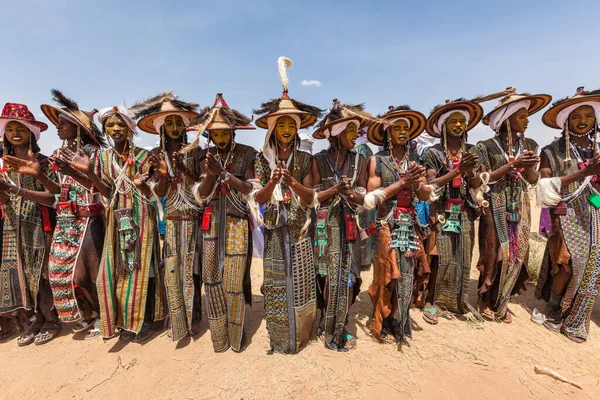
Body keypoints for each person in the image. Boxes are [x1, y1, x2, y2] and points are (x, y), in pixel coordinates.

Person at [64, 104, 167, 342]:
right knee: (117, 271)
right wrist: (89, 173)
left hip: (142, 218)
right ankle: (124, 322)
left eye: (121, 124)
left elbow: (155, 193)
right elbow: (107, 190)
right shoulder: (102, 157)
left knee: (143, 270)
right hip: (115, 219)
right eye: (110, 124)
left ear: (130, 128)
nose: (116, 128)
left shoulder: (143, 156)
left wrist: (149, 181)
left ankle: (146, 321)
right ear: (106, 129)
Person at [10, 90, 107, 340]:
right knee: (60, 273)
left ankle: (101, 316)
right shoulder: (57, 155)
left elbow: (96, 187)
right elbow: (57, 192)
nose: (58, 127)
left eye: (64, 123)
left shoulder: (93, 153)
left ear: (78, 128)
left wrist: (73, 171)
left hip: (89, 218)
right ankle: (85, 315)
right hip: (66, 220)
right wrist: (39, 176)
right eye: (58, 123)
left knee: (88, 273)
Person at [251, 56, 322, 354]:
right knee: (278, 282)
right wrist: (272, 181)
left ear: (295, 129)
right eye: (280, 124)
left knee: (303, 282)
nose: (286, 129)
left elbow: (313, 198)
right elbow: (258, 199)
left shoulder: (306, 160)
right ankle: (280, 339)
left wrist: (292, 182)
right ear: (273, 129)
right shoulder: (261, 159)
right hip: (275, 233)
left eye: (290, 125)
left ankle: (301, 336)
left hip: (300, 232)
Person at [420, 92, 509, 323]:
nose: (458, 125)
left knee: (462, 254)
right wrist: (457, 171)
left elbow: (478, 183)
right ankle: (432, 301)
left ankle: (456, 302)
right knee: (440, 256)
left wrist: (469, 171)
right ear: (443, 126)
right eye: (453, 121)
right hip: (441, 209)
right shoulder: (433, 153)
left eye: (462, 121)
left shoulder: (474, 150)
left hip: (465, 210)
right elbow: (431, 184)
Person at [471, 90, 551, 322]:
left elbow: (535, 180)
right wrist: (511, 165)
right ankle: (485, 300)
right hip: (493, 205)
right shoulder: (485, 146)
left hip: (521, 206)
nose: (527, 121)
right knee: (493, 253)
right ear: (507, 119)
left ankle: (502, 302)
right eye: (522, 116)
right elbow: (481, 179)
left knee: (516, 254)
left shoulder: (531, 145)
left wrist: (526, 167)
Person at [191, 93, 257, 352]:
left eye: (224, 133)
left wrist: (224, 173)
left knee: (232, 283)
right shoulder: (204, 156)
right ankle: (219, 337)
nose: (219, 138)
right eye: (214, 134)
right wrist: (210, 174)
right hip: (210, 225)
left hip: (236, 223)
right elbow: (202, 194)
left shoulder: (247, 154)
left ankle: (237, 333)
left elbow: (252, 190)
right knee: (211, 281)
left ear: (233, 131)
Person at [134, 93, 203, 342]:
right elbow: (159, 193)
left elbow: (202, 188)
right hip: (170, 220)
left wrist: (185, 171)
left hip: (194, 218)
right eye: (169, 123)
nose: (174, 127)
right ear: (161, 127)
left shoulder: (196, 152)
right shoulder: (154, 155)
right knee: (172, 268)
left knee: (194, 270)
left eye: (178, 122)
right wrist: (162, 175)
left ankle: (194, 316)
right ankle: (176, 318)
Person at [534, 87, 600, 342]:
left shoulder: (597, 149)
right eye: (576, 117)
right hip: (565, 212)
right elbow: (545, 186)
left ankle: (575, 319)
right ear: (566, 122)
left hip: (594, 213)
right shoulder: (551, 151)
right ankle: (554, 307)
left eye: (587, 116)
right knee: (570, 263)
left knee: (592, 268)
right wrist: (585, 172)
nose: (582, 121)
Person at [363, 105, 434, 343]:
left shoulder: (415, 159)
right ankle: (380, 321)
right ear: (387, 133)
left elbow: (425, 194)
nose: (402, 132)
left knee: (407, 273)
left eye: (406, 128)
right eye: (397, 128)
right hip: (386, 223)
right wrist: (403, 182)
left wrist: (415, 184)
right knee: (385, 274)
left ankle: (398, 320)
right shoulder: (377, 160)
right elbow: (372, 196)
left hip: (409, 222)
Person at [312, 99, 371, 351]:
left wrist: (353, 193)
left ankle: (342, 323)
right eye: (349, 131)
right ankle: (327, 322)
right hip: (326, 229)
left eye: (356, 131)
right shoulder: (319, 160)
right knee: (327, 278)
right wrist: (334, 190)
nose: (355, 135)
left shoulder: (360, 161)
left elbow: (364, 192)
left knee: (349, 278)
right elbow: (313, 194)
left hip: (349, 228)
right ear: (336, 134)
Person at [0, 103, 59, 345]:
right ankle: (35, 319)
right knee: (21, 273)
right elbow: (5, 200)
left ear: (31, 134)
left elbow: (54, 197)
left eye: (21, 128)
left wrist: (17, 189)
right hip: (13, 227)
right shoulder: (4, 165)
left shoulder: (43, 162)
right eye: (10, 127)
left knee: (43, 273)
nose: (15, 131)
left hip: (40, 226)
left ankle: (52, 318)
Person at [353, 129, 375, 271]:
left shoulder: (358, 150)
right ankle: (366, 259)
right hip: (367, 193)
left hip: (358, 193)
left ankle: (361, 260)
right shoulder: (368, 149)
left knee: (360, 226)